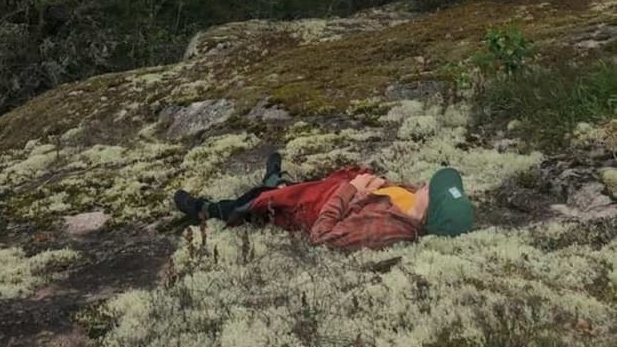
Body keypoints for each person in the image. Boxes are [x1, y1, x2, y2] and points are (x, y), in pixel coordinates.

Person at [173, 153, 474, 251]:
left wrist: (351, 189)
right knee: (284, 189)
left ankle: (208, 209)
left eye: (430, 189)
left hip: (313, 207)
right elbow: (389, 193)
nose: (424, 184)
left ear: (429, 209)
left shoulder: (387, 228)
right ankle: (276, 182)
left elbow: (322, 236)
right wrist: (369, 184)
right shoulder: (412, 199)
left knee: (255, 203)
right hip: (328, 190)